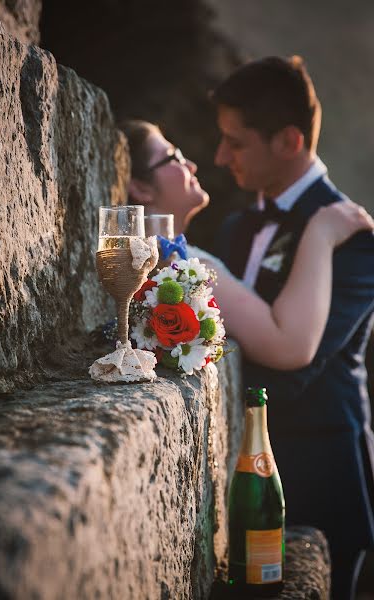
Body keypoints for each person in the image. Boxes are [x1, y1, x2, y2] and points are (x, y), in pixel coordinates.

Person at [210, 56, 374, 599]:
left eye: (236, 142)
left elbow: (293, 372)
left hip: (318, 472)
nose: (219, 156)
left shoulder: (352, 236)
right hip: (233, 477)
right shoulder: (238, 224)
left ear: (288, 140)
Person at [120, 118, 374, 372]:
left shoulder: (163, 261)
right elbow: (286, 346)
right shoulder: (181, 273)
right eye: (173, 157)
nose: (191, 165)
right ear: (141, 188)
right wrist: (321, 233)